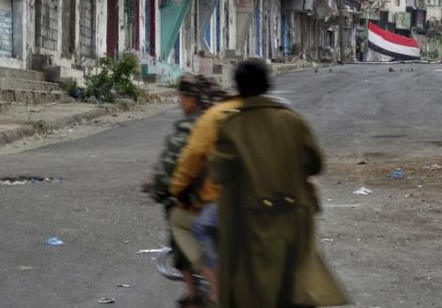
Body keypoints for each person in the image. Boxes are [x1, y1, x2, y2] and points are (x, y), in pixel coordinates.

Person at [207, 59, 347, 308]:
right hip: (294, 218)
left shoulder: (232, 126)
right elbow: (314, 164)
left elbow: (218, 172)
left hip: (250, 222)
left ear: (238, 88)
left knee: (253, 289)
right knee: (293, 286)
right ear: (267, 85)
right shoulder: (292, 121)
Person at [145, 74, 219, 307]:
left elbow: (171, 169)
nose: (180, 101)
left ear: (190, 100)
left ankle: (200, 291)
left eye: (182, 97)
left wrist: (158, 190)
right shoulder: (224, 119)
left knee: (176, 220)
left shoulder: (190, 127)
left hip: (202, 204)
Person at [169, 85, 242, 306]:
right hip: (271, 203)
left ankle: (214, 286)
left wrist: (177, 191)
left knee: (181, 222)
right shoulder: (276, 115)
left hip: (224, 204)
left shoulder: (210, 120)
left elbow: (190, 160)